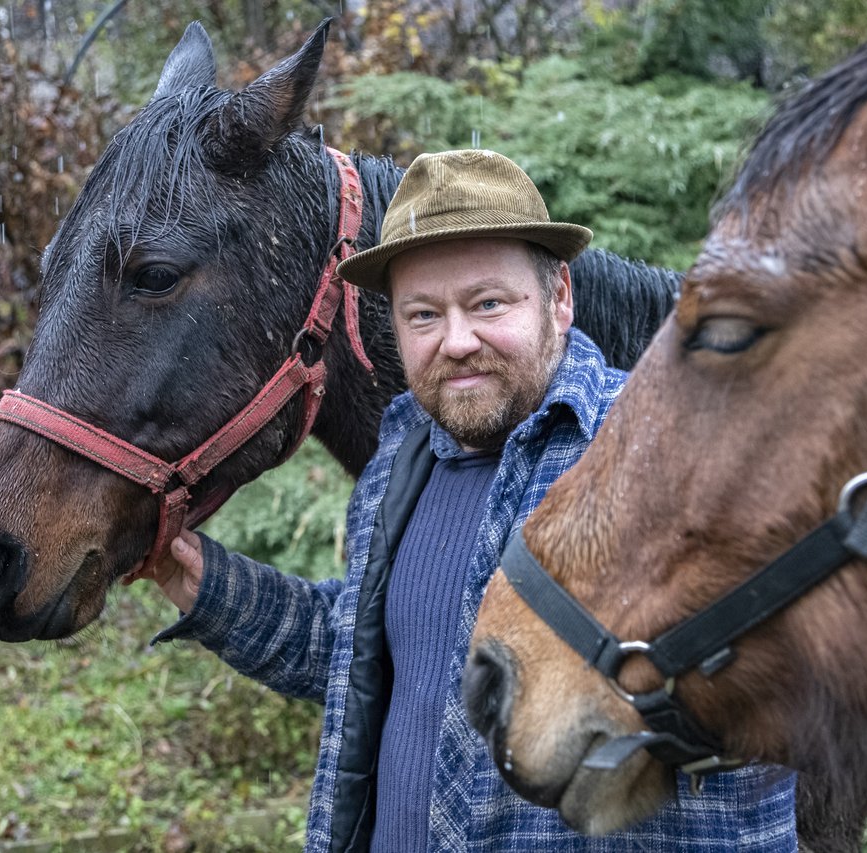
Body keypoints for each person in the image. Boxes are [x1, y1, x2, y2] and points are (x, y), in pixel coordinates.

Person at [138, 149, 797, 852]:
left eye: (488, 303)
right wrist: (200, 583)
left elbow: (785, 698)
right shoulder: (401, 460)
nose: (456, 341)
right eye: (423, 314)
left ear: (560, 297)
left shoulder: (665, 454)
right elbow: (355, 651)